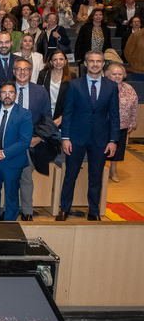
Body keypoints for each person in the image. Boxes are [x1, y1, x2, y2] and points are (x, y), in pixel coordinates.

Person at [57, 51, 120, 221]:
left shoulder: (111, 86)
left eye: (98, 61)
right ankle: (64, 208)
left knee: (96, 177)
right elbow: (67, 113)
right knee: (70, 174)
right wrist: (65, 138)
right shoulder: (74, 85)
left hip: (100, 139)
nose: (95, 64)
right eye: (91, 61)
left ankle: (93, 211)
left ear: (103, 63)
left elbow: (114, 115)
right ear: (85, 63)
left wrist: (114, 140)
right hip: (76, 138)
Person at [0, 82, 34, 222]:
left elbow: (25, 141)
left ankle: (9, 223)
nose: (7, 95)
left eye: (10, 92)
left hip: (13, 160)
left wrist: (4, 153)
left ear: (16, 95)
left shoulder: (25, 114)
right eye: (4, 93)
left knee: (11, 194)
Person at [9, 59, 50, 221]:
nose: (22, 72)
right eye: (18, 69)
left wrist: (39, 137)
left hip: (31, 142)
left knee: (26, 178)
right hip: (10, 143)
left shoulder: (40, 91)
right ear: (14, 71)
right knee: (10, 178)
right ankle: (9, 210)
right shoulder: (7, 89)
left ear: (31, 71)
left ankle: (27, 211)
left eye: (26, 69)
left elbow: (47, 117)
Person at [105, 64, 138, 183]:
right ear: (107, 75)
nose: (117, 76)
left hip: (122, 125)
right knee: (101, 149)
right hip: (104, 125)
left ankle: (113, 171)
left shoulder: (129, 88)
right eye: (114, 74)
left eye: (120, 74)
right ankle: (100, 171)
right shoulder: (103, 87)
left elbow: (134, 107)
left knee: (118, 150)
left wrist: (132, 122)